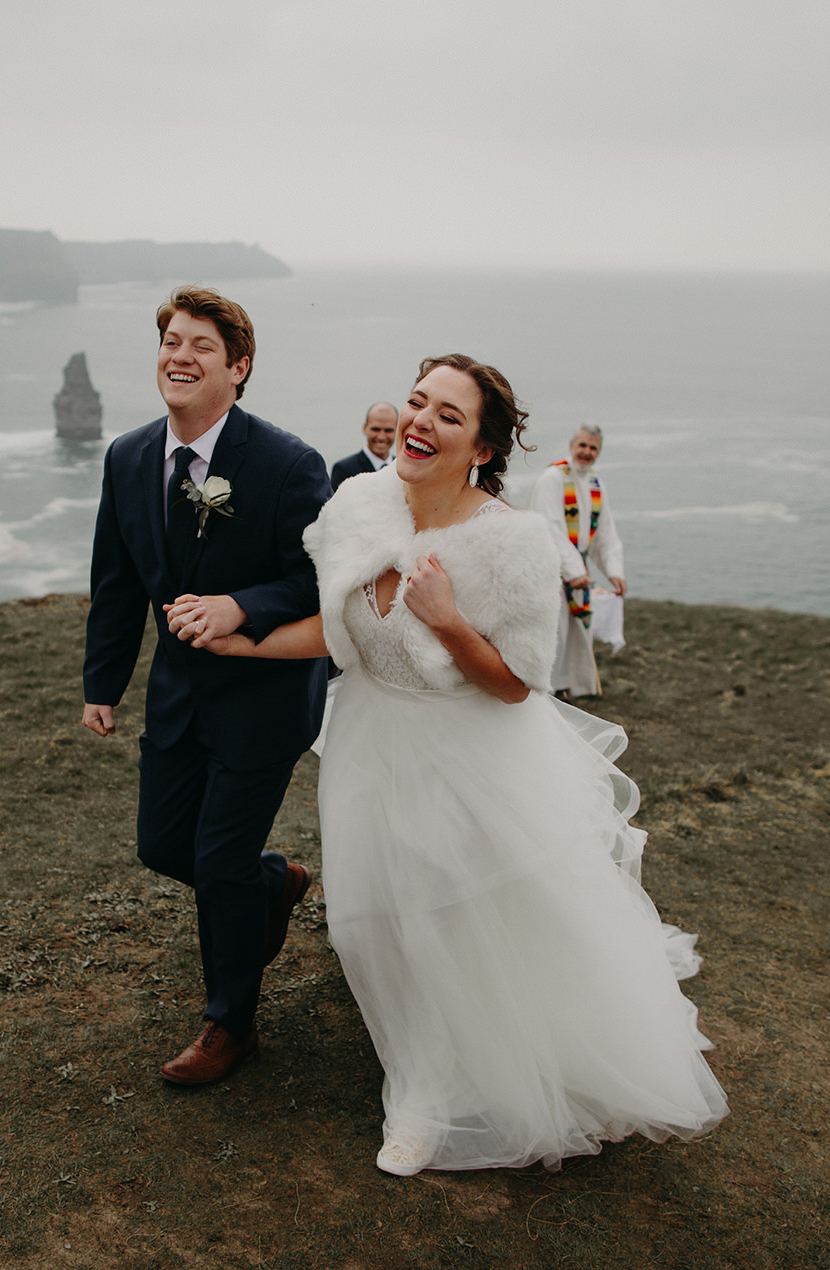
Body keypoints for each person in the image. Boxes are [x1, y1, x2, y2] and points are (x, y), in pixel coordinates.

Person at [172, 354, 726, 1175]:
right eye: (418, 402)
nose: (420, 422)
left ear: (483, 450)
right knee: (384, 916)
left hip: (467, 757)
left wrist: (450, 620)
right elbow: (338, 633)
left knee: (451, 918)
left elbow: (517, 685)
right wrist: (243, 638)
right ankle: (421, 1062)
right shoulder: (360, 503)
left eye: (448, 416)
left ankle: (427, 1097)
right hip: (368, 742)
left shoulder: (513, 543)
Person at [81, 286, 332, 1086]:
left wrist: (238, 606)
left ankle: (230, 1025)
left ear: (239, 368)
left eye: (201, 347)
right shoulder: (127, 457)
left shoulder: (290, 464)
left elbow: (318, 582)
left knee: (218, 859)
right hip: (178, 695)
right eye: (171, 342)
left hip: (264, 703)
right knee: (164, 846)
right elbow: (118, 583)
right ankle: (276, 881)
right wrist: (103, 683)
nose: (179, 357)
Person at [527, 425, 625, 698]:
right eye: (582, 445)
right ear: (572, 446)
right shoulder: (553, 478)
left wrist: (614, 572)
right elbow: (551, 527)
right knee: (552, 630)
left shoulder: (595, 484)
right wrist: (573, 571)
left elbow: (605, 533)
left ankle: (566, 687)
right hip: (549, 566)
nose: (587, 452)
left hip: (576, 566)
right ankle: (544, 691)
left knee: (574, 631)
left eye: (593, 448)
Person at [329, 402, 399, 490]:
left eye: (388, 430)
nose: (381, 437)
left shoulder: (401, 469)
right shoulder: (344, 469)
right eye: (376, 429)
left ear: (397, 431)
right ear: (365, 428)